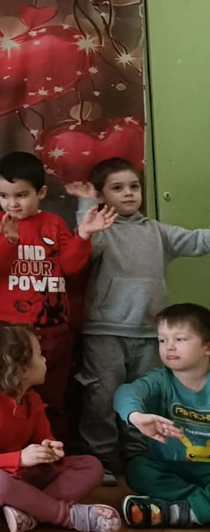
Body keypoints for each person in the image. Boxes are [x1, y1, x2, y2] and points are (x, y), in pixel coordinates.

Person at [66, 157, 210, 484]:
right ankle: (102, 459)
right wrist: (87, 204)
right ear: (103, 195)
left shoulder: (158, 232)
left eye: (134, 186)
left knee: (144, 398)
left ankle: (137, 454)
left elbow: (198, 240)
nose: (129, 193)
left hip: (150, 334)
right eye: (118, 188)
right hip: (105, 331)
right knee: (101, 397)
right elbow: (86, 247)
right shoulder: (103, 232)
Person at [0, 151, 115, 436]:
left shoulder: (53, 223)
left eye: (21, 195)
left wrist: (84, 235)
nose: (12, 203)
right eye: (4, 196)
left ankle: (53, 449)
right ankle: (13, 451)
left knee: (54, 398)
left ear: (40, 193)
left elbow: (70, 266)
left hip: (54, 329)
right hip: (11, 330)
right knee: (9, 395)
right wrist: (9, 241)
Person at [0, 323, 119, 532]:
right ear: (22, 370)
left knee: (92, 465)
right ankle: (65, 515)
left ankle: (30, 512)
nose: (45, 360)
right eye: (39, 355)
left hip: (27, 479)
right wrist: (20, 458)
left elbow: (45, 438)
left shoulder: (32, 399)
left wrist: (51, 449)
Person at [114, 302, 210, 527]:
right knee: (138, 471)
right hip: (169, 468)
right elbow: (125, 393)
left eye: (180, 339)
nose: (169, 347)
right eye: (162, 340)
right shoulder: (160, 380)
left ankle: (175, 512)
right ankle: (199, 505)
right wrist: (136, 416)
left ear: (207, 347)